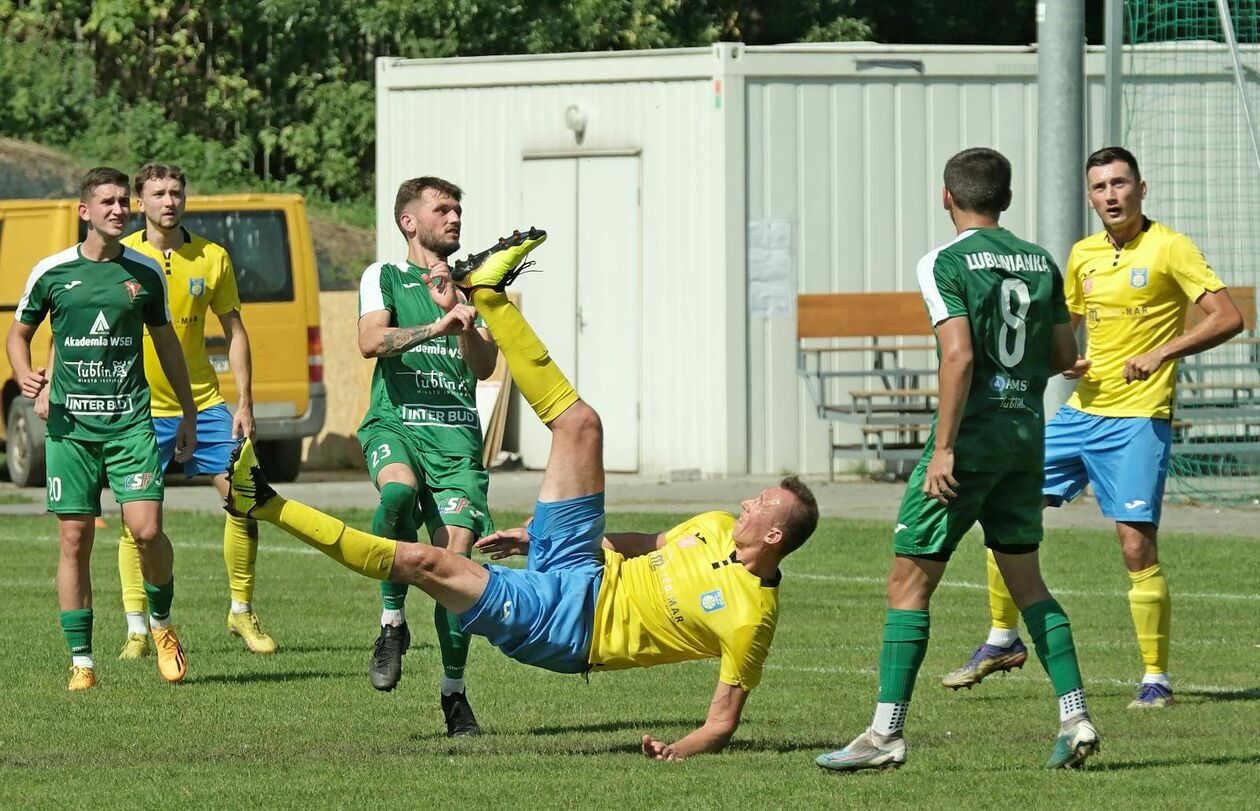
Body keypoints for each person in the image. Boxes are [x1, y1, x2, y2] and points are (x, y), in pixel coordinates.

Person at [224, 229, 820, 756]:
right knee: (582, 425)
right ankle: (490, 295)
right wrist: (539, 534)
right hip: (581, 562)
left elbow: (721, 723)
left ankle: (266, 503)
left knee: (425, 562)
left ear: (773, 535)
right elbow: (647, 542)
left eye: (758, 505)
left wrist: (676, 750)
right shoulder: (715, 524)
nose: (745, 503)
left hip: (567, 626)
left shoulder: (751, 619)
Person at [815, 148, 1098, 772]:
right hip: (1027, 438)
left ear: (947, 197)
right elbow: (1058, 354)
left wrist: (943, 448)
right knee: (1027, 583)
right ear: (1008, 198)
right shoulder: (1040, 260)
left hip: (970, 440)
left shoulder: (944, 261)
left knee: (908, 583)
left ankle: (884, 735)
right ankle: (1074, 716)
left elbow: (960, 356)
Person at [942, 146, 1244, 709]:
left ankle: (1156, 678)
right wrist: (1057, 359)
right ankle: (1001, 639)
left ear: (1141, 189)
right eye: (1100, 187)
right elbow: (1066, 329)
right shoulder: (1082, 254)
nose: (1111, 195)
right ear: (1090, 196)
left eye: (1120, 184)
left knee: (1135, 546)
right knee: (1007, 508)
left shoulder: (1171, 248)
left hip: (1137, 418)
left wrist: (1163, 352)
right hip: (1081, 413)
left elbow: (1229, 317)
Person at [7, 166, 198, 690]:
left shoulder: (144, 273)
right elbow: (18, 335)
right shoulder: (51, 272)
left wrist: (186, 413)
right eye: (108, 202)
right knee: (74, 540)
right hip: (70, 428)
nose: (119, 209)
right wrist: (26, 376)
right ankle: (82, 662)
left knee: (147, 531)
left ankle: (161, 625)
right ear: (84, 212)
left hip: (131, 423)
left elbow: (166, 345)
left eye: (123, 202)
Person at [356, 177, 498, 736]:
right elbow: (371, 342)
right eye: (442, 208)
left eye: (459, 208)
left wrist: (461, 316)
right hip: (398, 425)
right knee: (397, 493)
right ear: (409, 222)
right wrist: (434, 323)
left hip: (458, 441)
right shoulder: (384, 276)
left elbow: (484, 366)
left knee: (455, 570)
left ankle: (454, 693)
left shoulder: (475, 286)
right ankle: (392, 622)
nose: (455, 217)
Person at [113, 162, 270, 656]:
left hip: (202, 405)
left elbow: (235, 331)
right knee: (136, 525)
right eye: (157, 193)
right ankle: (139, 629)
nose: (168, 201)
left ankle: (241, 612)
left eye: (176, 192)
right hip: (138, 410)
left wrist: (244, 400)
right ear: (140, 203)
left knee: (245, 499)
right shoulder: (119, 258)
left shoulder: (212, 258)